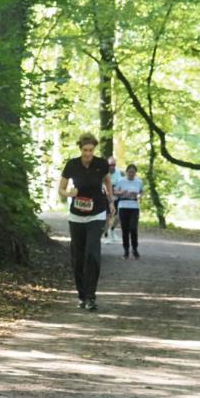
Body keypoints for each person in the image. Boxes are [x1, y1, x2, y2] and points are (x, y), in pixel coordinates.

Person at [58, 133, 115, 311]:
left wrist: (111, 203)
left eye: (90, 150)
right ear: (80, 149)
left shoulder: (101, 164)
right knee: (78, 257)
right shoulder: (72, 165)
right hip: (76, 215)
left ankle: (91, 296)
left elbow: (107, 182)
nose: (88, 154)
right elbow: (61, 188)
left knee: (92, 254)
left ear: (94, 149)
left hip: (97, 213)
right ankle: (82, 295)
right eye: (85, 150)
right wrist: (69, 194)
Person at [115, 164, 143, 259]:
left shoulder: (139, 182)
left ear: (135, 173)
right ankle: (126, 250)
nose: (131, 174)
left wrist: (138, 195)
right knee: (125, 229)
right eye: (130, 172)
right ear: (126, 172)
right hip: (123, 206)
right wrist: (122, 193)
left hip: (134, 207)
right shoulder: (121, 180)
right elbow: (114, 191)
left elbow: (141, 192)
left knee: (133, 228)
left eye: (133, 172)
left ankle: (134, 248)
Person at [105, 156, 123, 244]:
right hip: (107, 197)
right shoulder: (104, 173)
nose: (112, 166)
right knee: (108, 216)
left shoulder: (119, 172)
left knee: (119, 215)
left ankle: (112, 230)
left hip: (117, 196)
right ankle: (106, 234)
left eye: (114, 165)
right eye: (110, 165)